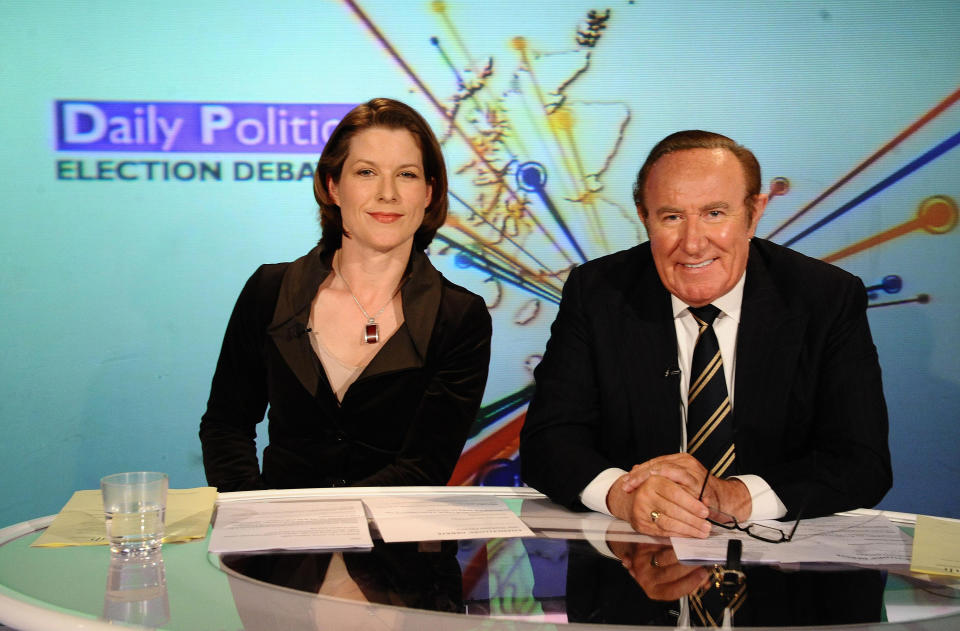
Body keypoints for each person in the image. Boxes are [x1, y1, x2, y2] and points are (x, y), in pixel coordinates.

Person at [520, 130, 891, 537]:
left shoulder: (824, 298)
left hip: (782, 576)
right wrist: (623, 496)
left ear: (754, 212)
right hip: (630, 568)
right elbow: (547, 442)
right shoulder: (598, 292)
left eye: (715, 213)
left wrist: (735, 496)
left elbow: (861, 461)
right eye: (672, 217)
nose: (693, 244)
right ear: (644, 218)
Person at [200, 98, 492, 491]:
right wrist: (254, 519)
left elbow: (425, 467)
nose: (387, 193)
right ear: (333, 186)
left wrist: (329, 525)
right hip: (280, 544)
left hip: (396, 546)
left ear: (428, 193)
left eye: (406, 175)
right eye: (367, 172)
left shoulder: (458, 316)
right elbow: (226, 425)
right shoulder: (270, 292)